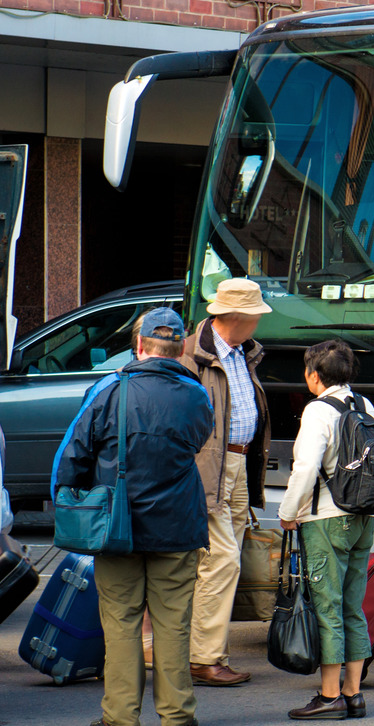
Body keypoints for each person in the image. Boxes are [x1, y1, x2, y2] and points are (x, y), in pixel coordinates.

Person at [55, 308, 214, 726]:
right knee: (173, 623)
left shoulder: (109, 389)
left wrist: (68, 496)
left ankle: (120, 717)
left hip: (116, 527)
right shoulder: (197, 395)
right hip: (179, 525)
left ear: (139, 345)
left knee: (122, 623)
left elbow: (72, 455)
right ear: (180, 350)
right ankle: (178, 716)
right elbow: (198, 441)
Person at [277, 340, 374, 720]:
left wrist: (289, 512)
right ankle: (354, 694)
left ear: (314, 376)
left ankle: (329, 695)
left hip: (326, 520)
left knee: (327, 607)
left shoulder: (317, 411)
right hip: (364, 518)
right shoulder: (363, 405)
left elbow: (305, 468)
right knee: (353, 605)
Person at [183, 277, 273, 687]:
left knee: (220, 560)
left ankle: (205, 651)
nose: (259, 323)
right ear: (238, 316)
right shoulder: (192, 355)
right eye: (256, 316)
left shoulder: (241, 352)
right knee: (221, 560)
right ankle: (202, 658)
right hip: (210, 468)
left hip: (236, 464)